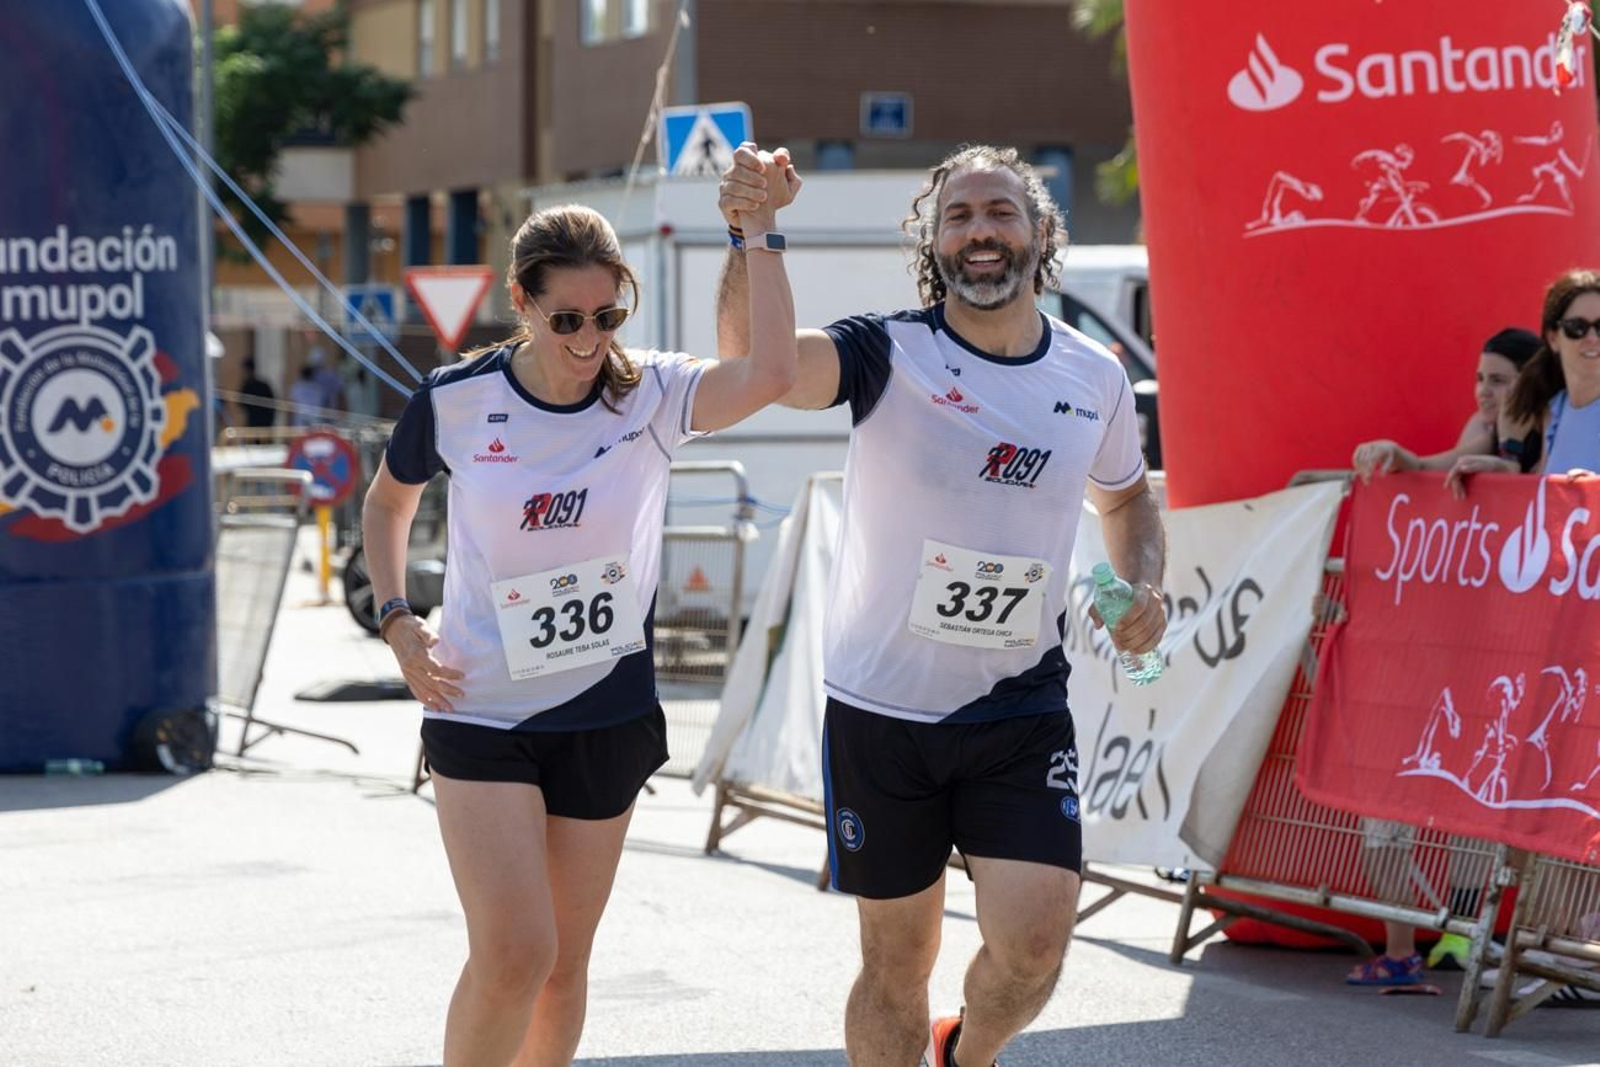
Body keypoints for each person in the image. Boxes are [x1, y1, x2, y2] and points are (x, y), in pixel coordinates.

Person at [717, 144, 1167, 1067]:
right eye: (957, 216)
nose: (980, 232)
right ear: (934, 242)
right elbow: (752, 364)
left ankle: (970, 1050)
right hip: (884, 711)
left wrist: (1146, 583)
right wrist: (752, 232)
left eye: (999, 212)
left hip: (1019, 706)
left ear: (1040, 233)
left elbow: (1125, 497)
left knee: (1036, 945)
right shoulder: (889, 351)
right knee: (897, 959)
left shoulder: (1094, 376)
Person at [360, 176, 799, 1066]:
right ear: (522, 303)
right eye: (568, 320)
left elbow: (772, 373)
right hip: (481, 708)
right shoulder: (456, 397)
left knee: (562, 965)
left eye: (610, 316)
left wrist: (758, 230)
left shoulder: (650, 398)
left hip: (605, 709)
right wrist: (399, 617)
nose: (592, 340)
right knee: (515, 952)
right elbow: (388, 504)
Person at [1448, 269, 1600, 497]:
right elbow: (1541, 498)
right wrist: (1504, 469)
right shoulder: (1554, 409)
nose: (1592, 338)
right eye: (1576, 328)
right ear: (1552, 338)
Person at [1351, 327, 1541, 483]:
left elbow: (1541, 498)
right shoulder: (1484, 427)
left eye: (1497, 380)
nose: (1483, 391)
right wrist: (1393, 452)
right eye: (1480, 379)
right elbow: (1426, 468)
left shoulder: (1552, 424)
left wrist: (1510, 449)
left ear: (1529, 383)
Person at [237, 356, 277, 428]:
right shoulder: (248, 386)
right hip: (256, 423)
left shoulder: (260, 386)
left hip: (262, 424)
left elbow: (272, 404)